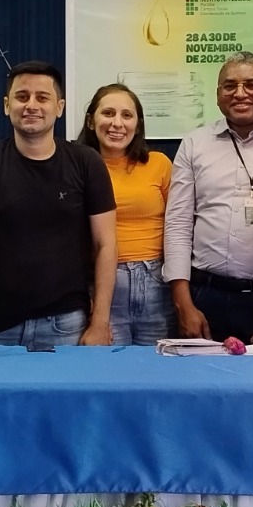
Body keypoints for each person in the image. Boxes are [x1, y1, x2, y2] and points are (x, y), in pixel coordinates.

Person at [0, 61, 117, 347]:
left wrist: (100, 322)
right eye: (22, 96)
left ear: (59, 107)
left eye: (42, 97)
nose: (31, 105)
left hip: (65, 326)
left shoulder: (86, 162)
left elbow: (106, 245)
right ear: (7, 105)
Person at [163, 52, 253, 344]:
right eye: (230, 86)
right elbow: (178, 225)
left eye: (252, 85)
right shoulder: (195, 143)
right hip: (205, 297)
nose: (240, 93)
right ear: (218, 95)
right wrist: (183, 303)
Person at [77, 83, 175, 345]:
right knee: (108, 366)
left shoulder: (159, 164)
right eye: (108, 113)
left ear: (138, 125)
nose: (117, 123)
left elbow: (179, 228)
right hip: (102, 287)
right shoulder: (76, 168)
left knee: (156, 366)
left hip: (157, 285)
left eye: (127, 115)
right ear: (91, 121)